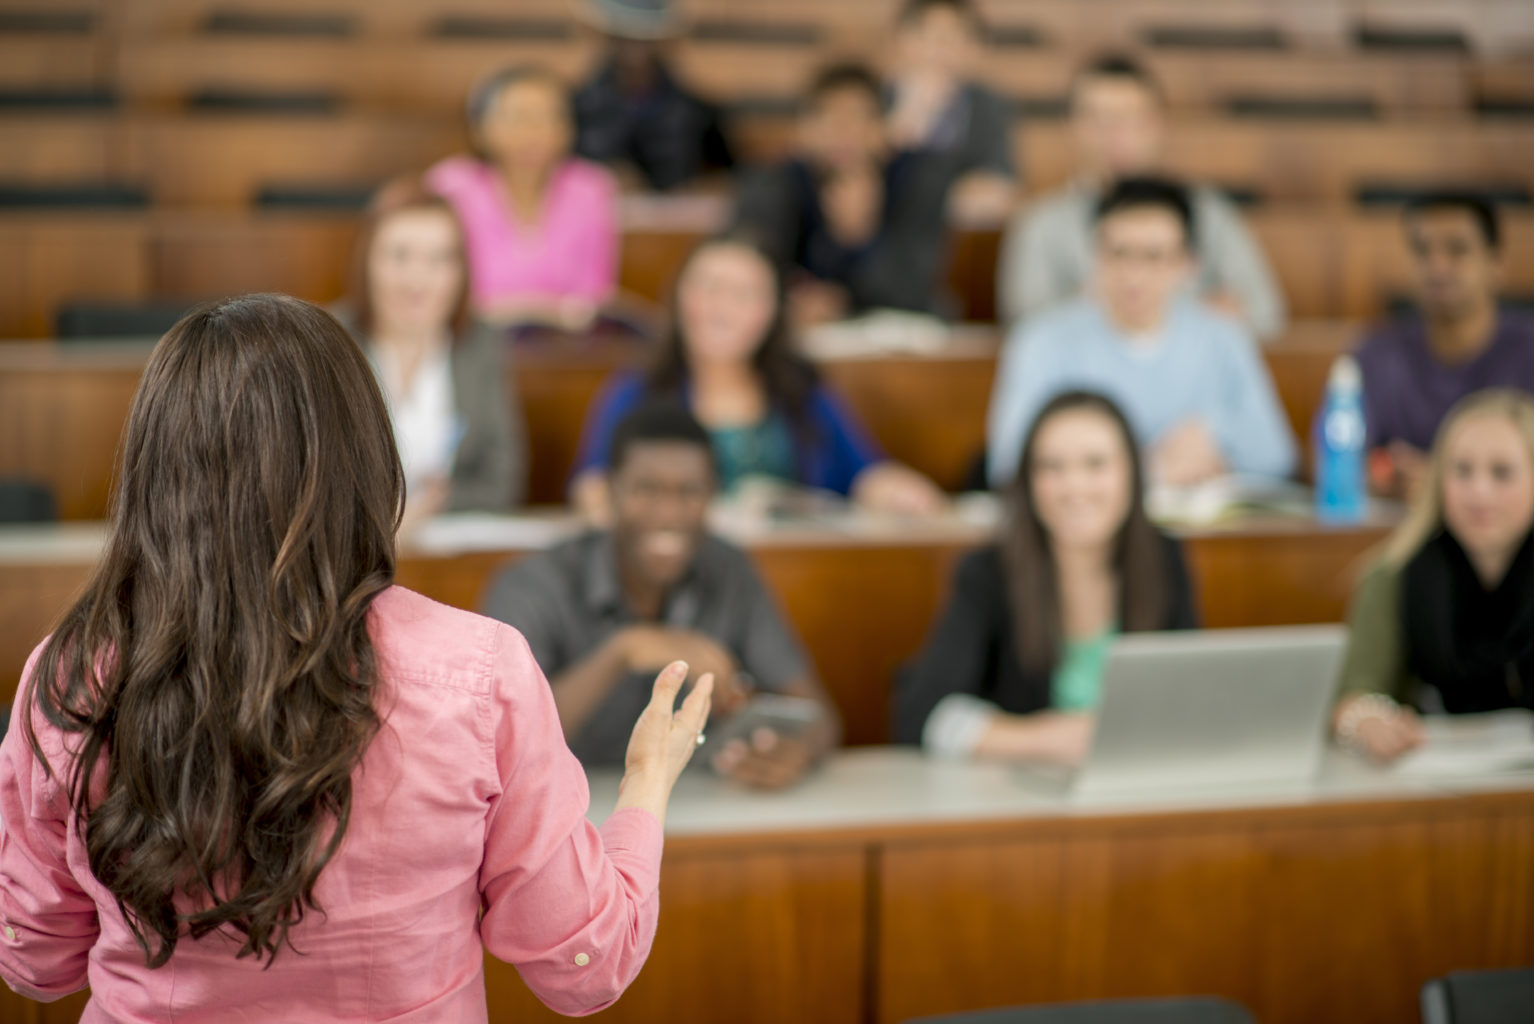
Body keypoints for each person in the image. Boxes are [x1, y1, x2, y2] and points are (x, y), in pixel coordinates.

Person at [0, 295, 710, 1019]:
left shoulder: (69, 678)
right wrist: (646, 779)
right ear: (365, 456)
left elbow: (37, 962)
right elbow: (583, 968)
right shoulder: (481, 673)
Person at [484, 402, 840, 789]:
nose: (669, 513)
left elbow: (819, 717)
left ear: (712, 497)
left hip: (695, 807)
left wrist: (795, 752)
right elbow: (502, 740)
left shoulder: (730, 571)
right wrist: (624, 651)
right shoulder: (533, 584)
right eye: (646, 489)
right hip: (566, 813)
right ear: (610, 494)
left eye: (689, 491)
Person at [896, 391, 1198, 763]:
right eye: (1052, 467)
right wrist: (1045, 738)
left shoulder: (1164, 558)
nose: (1074, 486)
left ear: (1132, 475)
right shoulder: (988, 573)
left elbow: (1192, 698)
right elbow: (918, 714)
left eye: (1095, 464)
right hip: (1020, 795)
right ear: (1028, 480)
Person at [570, 233, 946, 519]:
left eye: (745, 294)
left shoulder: (802, 390)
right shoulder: (637, 390)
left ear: (771, 312)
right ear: (679, 297)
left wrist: (898, 491)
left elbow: (864, 473)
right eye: (710, 288)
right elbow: (593, 487)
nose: (723, 308)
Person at [987, 177, 1296, 489]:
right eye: (1119, 254)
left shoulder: (1224, 338)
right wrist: (1139, 469)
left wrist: (1217, 442)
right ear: (1094, 256)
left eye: (1154, 256)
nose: (1134, 275)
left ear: (1188, 265)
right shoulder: (1041, 341)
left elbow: (1276, 455)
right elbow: (1008, 461)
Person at [997, 53, 1285, 340]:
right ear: (1071, 126)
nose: (1117, 135)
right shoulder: (1039, 223)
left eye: (1132, 119)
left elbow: (1264, 314)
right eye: (1100, 120)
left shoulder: (1210, 212)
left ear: (1159, 125)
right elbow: (1026, 327)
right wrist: (1190, 309)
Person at [1332, 389, 1534, 762]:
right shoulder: (1393, 573)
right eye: (1462, 470)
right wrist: (1367, 722)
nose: (1479, 491)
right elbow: (1355, 695)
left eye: (1501, 472)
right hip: (1429, 778)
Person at [339, 179, 527, 531]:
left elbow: (503, 480)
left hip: (444, 547)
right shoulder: (328, 340)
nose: (418, 279)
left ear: (461, 272)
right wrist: (383, 519)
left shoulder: (481, 343)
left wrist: (429, 509)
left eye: (440, 259)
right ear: (366, 262)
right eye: (399, 256)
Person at [732, 63, 955, 326]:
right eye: (828, 118)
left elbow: (913, 285)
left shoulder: (919, 179)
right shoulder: (775, 181)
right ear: (805, 129)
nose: (842, 133)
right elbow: (748, 260)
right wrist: (795, 299)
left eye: (856, 118)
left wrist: (860, 239)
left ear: (883, 129)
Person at [1352, 192, 1534, 498]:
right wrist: (1376, 479)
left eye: (1457, 249)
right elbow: (1329, 458)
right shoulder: (1375, 354)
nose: (1437, 266)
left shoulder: (1528, 352)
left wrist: (1443, 481)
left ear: (1496, 264)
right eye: (1422, 250)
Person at [426, 65, 618, 330]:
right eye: (518, 117)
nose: (534, 130)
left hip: (562, 349)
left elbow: (594, 299)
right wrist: (544, 310)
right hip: (468, 343)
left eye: (549, 116)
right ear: (479, 129)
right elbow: (440, 294)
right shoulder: (450, 187)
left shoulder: (591, 189)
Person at [571, 0, 735, 191]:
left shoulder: (697, 112)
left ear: (662, 42)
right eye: (623, 37)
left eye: (644, 39)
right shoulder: (576, 107)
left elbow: (724, 176)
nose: (634, 50)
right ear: (608, 38)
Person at [885, 0, 1017, 222]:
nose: (941, 50)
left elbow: (1001, 180)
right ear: (904, 40)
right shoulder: (876, 98)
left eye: (954, 37)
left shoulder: (988, 104)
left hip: (960, 234)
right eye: (931, 36)